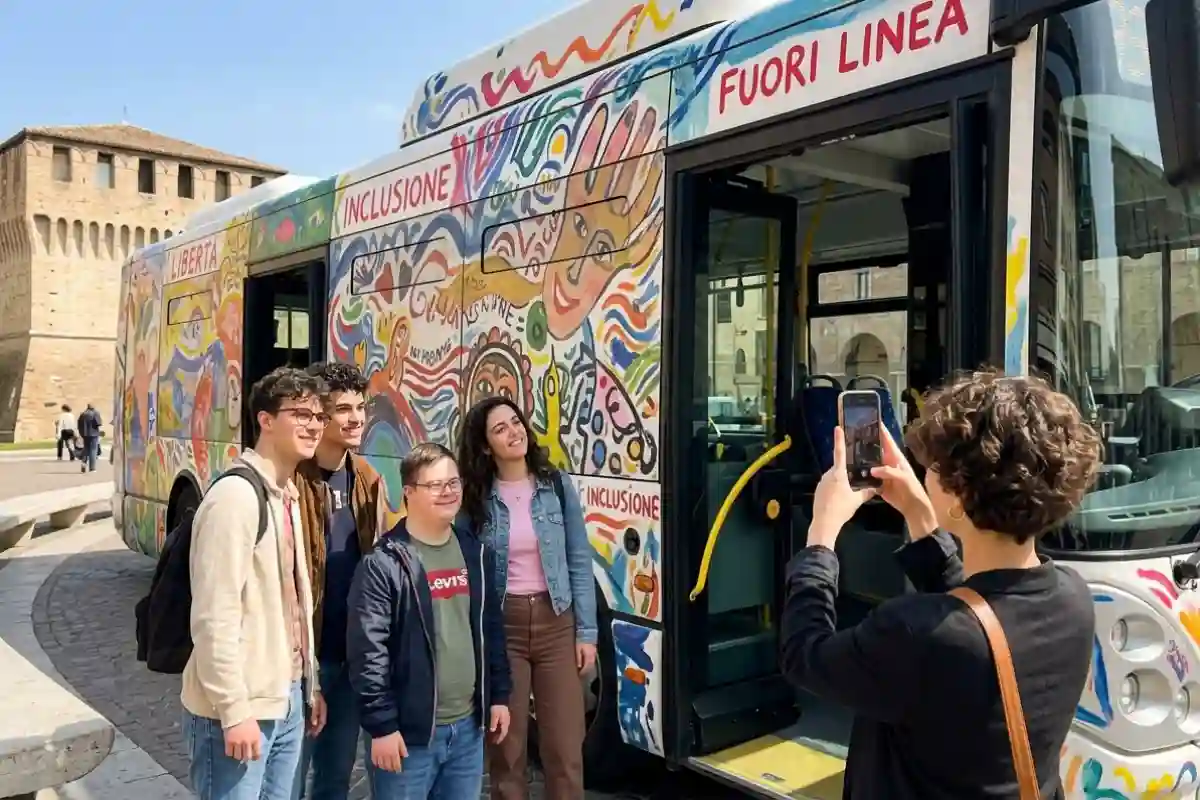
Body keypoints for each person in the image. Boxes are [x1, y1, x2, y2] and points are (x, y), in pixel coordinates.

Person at [780, 370, 1102, 798]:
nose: (923, 473)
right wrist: (920, 516)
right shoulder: (1073, 597)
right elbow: (980, 612)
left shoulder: (914, 632)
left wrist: (822, 533)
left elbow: (804, 656)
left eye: (933, 468)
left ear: (958, 496)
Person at [181, 367, 328, 800]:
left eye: (319, 417)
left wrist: (309, 686)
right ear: (265, 420)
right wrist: (233, 711)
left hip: (285, 699)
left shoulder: (287, 493)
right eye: (300, 413)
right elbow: (213, 616)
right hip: (239, 707)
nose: (313, 425)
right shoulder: (236, 498)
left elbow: (294, 609)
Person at [348, 442, 512, 799]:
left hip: (467, 731)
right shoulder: (384, 563)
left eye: (454, 483)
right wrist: (382, 727)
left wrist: (499, 695)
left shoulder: (475, 552)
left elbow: (490, 631)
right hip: (409, 737)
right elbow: (368, 653)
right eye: (435, 485)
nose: (448, 492)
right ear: (408, 492)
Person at [457, 397, 597, 800]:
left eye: (515, 422)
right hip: (505, 628)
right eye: (500, 429)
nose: (513, 432)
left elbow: (578, 558)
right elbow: (464, 562)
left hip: (557, 622)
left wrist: (585, 632)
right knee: (507, 749)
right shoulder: (476, 497)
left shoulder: (554, 484)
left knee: (565, 748)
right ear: (485, 446)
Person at [293, 362, 389, 800]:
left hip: (349, 656)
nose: (354, 418)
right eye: (342, 409)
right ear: (320, 415)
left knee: (334, 779)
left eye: (360, 407)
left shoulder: (367, 478)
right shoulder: (291, 478)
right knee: (287, 781)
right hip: (301, 662)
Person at [77, 403, 103, 473]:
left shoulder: (82, 414)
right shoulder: (95, 413)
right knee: (93, 450)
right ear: (93, 407)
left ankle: (83, 464)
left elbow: (78, 424)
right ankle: (92, 468)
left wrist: (81, 433)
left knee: (86, 449)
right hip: (93, 434)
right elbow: (99, 423)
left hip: (85, 434)